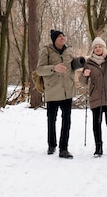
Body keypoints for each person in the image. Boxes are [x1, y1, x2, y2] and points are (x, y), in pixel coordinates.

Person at [35, 29, 84, 159]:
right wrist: (53, 68)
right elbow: (39, 70)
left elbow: (72, 66)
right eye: (60, 36)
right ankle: (52, 145)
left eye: (64, 35)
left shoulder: (69, 51)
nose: (63, 37)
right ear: (54, 39)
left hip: (67, 91)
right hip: (52, 91)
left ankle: (64, 149)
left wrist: (81, 62)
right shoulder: (47, 51)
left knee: (66, 121)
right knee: (52, 120)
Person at [80, 36, 107, 157]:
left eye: (100, 46)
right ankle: (98, 148)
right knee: (96, 123)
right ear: (93, 49)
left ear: (104, 48)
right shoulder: (89, 62)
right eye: (95, 47)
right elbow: (82, 81)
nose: (98, 49)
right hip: (96, 97)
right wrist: (84, 74)